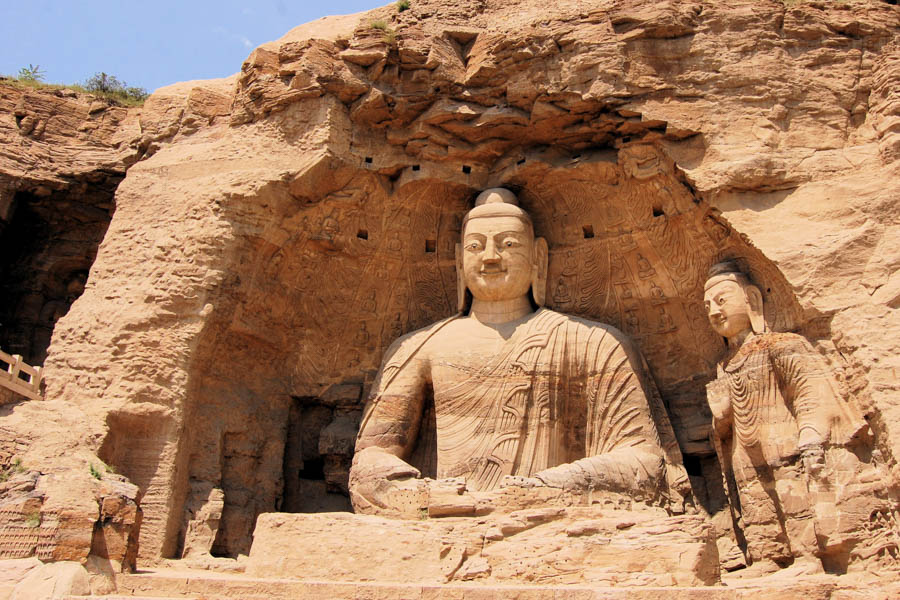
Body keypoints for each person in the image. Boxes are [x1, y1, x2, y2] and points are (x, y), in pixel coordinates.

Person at [349, 188, 688, 516]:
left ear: (539, 256)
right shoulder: (420, 347)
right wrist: (423, 495)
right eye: (475, 246)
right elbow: (369, 460)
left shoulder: (594, 343)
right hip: (444, 512)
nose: (491, 257)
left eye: (508, 244)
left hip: (551, 518)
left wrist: (547, 486)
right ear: (457, 259)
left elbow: (645, 460)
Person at [703, 260, 870, 573]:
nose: (713, 311)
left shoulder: (782, 344)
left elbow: (809, 391)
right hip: (745, 449)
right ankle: (766, 555)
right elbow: (724, 424)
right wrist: (720, 416)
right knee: (756, 504)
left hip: (783, 438)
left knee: (794, 499)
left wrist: (810, 430)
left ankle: (808, 555)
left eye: (722, 301)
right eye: (707, 305)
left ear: (752, 299)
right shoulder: (723, 364)